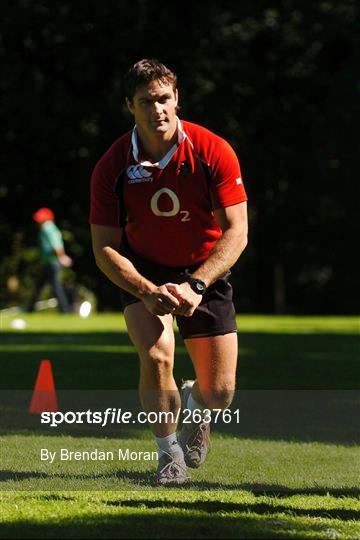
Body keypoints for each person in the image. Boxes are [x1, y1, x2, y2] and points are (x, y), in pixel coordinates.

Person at [90, 59, 248, 485]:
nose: (157, 109)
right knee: (157, 355)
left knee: (221, 391)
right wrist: (143, 289)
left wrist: (197, 283)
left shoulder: (213, 149)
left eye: (164, 99)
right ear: (130, 105)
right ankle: (168, 454)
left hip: (204, 271)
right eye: (146, 101)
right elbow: (104, 246)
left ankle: (199, 409)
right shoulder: (112, 165)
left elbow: (237, 232)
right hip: (143, 270)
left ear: (176, 99)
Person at [28, 207, 73, 313]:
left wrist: (61, 256)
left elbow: (56, 244)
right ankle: (30, 309)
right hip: (48, 262)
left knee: (55, 286)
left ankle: (65, 310)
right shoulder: (48, 228)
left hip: (51, 262)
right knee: (41, 285)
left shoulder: (47, 227)